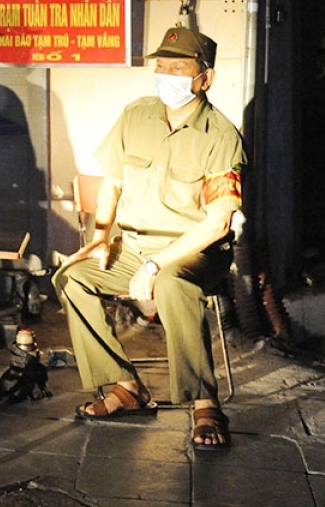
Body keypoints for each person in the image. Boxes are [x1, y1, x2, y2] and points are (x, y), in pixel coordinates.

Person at [51, 25, 245, 450]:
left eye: (179, 67)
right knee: (71, 277)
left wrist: (158, 266)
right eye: (161, 67)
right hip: (134, 247)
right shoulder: (136, 115)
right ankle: (125, 387)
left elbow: (217, 224)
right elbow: (112, 183)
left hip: (195, 250)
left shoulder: (221, 136)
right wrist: (101, 236)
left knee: (174, 285)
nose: (167, 76)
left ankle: (204, 403)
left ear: (205, 78)